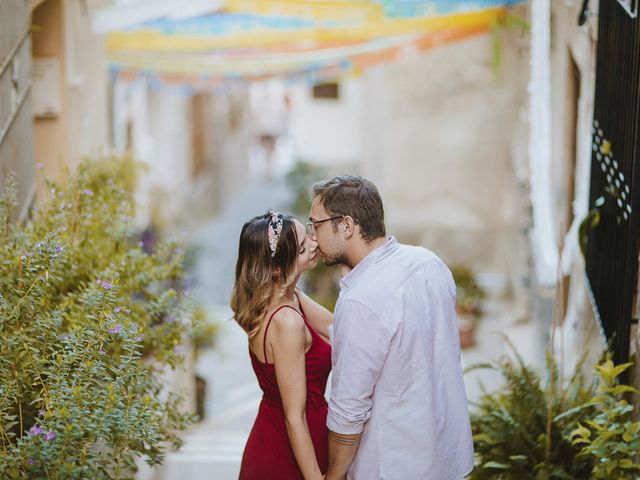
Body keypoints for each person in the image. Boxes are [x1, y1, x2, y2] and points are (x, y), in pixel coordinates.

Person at [308, 176, 474, 480]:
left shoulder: (362, 299)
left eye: (316, 225)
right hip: (446, 460)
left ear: (346, 225)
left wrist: (332, 477)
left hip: (395, 467)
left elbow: (348, 413)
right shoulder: (429, 264)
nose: (313, 237)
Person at [231, 211, 333, 479]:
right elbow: (294, 417)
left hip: (276, 436)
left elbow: (340, 329)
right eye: (302, 248)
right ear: (277, 267)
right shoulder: (286, 321)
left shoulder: (290, 298)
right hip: (289, 454)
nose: (313, 245)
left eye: (309, 235)